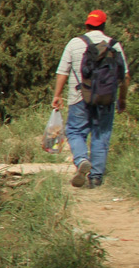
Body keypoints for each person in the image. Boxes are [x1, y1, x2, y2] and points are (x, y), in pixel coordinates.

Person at [52, 10, 130, 189]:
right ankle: (95, 178)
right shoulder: (114, 45)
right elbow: (125, 77)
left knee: (75, 132)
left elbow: (62, 71)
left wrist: (57, 95)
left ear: (87, 25)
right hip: (106, 98)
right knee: (101, 135)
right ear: (104, 25)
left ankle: (81, 160)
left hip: (79, 97)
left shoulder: (75, 43)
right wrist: (122, 99)